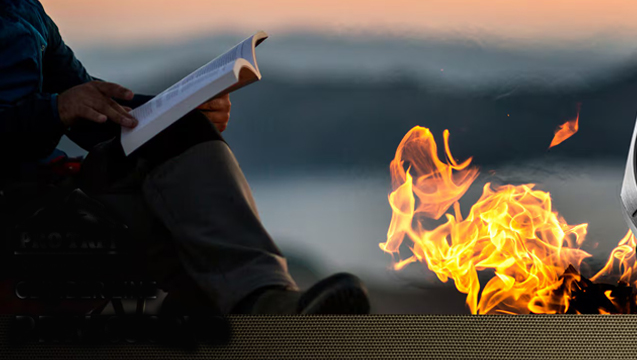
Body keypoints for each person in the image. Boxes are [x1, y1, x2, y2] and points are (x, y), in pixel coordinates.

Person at [0, 0, 370, 314]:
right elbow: (59, 109)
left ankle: (263, 299)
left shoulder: (24, 10)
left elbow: (94, 109)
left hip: (51, 184)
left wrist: (184, 108)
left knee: (181, 132)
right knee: (162, 236)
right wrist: (56, 111)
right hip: (18, 204)